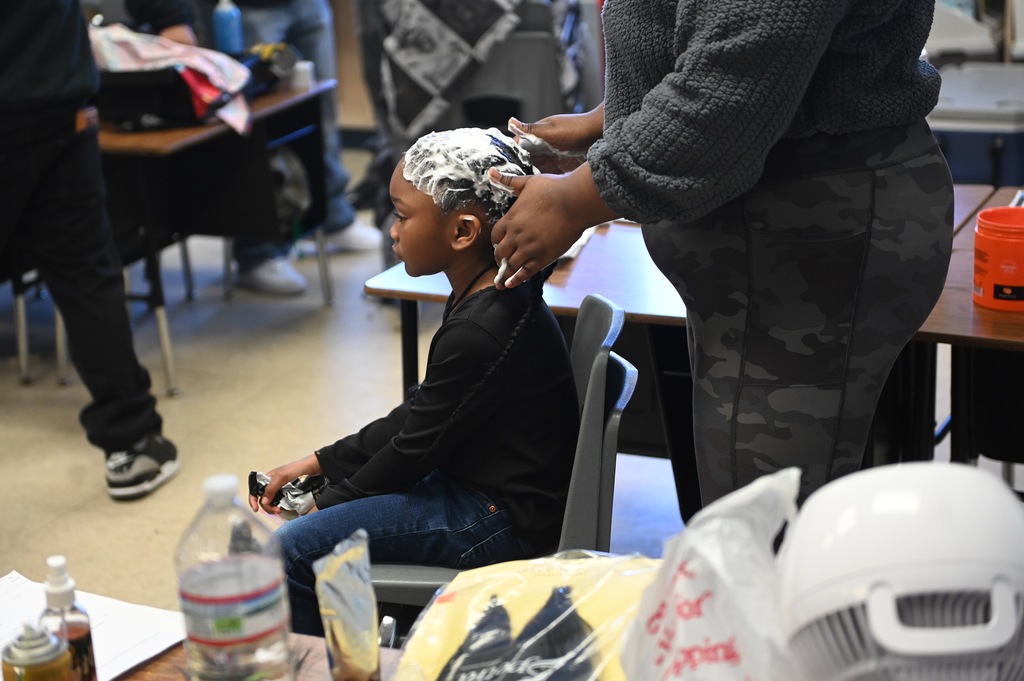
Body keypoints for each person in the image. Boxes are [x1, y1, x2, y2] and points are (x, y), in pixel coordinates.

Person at [489, 0, 954, 512]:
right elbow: (728, 43)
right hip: (767, 253)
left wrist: (572, 201)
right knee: (747, 494)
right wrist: (621, 116)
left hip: (806, 249)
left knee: (760, 527)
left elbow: (733, 84)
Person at [249, 127, 580, 635]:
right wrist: (320, 463)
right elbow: (423, 414)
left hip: (495, 520)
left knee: (289, 552)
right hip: (485, 491)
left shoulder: (480, 328)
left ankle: (333, 666)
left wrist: (321, 506)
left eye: (402, 216)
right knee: (321, 523)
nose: (391, 230)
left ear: (462, 232)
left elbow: (411, 452)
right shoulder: (493, 290)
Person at [0, 0, 179, 500]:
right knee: (85, 277)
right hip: (56, 102)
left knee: (86, 275)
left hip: (55, 106)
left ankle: (133, 437)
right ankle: (133, 441)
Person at [188, 0, 382, 295]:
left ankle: (332, 214)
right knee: (254, 124)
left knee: (322, 111)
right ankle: (258, 252)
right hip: (245, 7)